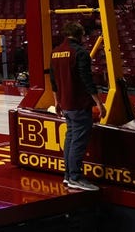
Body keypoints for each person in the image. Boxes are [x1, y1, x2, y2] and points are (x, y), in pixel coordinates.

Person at [50, 22, 105, 192]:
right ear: (80, 34)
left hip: (64, 102)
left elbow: (53, 80)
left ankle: (68, 176)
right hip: (78, 103)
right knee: (78, 141)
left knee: (70, 138)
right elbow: (86, 80)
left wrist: (56, 101)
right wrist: (98, 102)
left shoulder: (55, 52)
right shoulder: (80, 52)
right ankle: (75, 177)